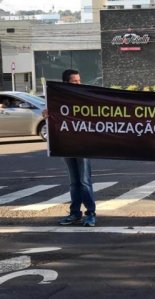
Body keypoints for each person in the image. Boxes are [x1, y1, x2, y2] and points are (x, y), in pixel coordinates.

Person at [56, 69, 96, 227]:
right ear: (66, 83)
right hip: (66, 145)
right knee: (74, 182)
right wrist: (47, 114)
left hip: (82, 144)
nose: (79, 83)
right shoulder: (57, 98)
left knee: (85, 181)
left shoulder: (84, 97)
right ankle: (75, 213)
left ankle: (90, 214)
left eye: (80, 80)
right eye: (75, 81)